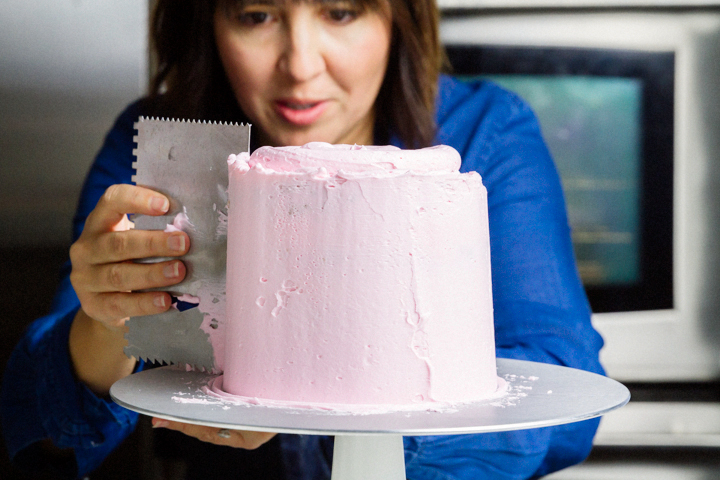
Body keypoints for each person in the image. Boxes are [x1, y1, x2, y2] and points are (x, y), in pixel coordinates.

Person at [1, 0, 605, 479]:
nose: (300, 64)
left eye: (341, 12)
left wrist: (329, 411)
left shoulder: (483, 134)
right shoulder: (163, 155)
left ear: (399, 15)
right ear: (207, 21)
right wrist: (106, 323)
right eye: (256, 15)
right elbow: (44, 434)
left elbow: (559, 391)